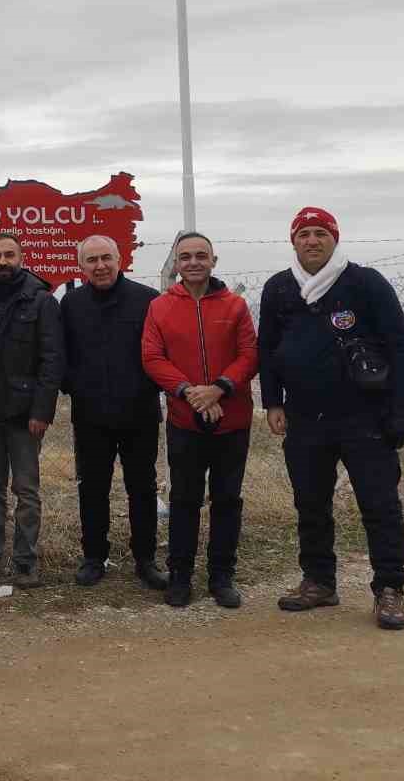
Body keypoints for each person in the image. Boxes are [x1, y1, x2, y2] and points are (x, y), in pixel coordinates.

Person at [259, 207, 404, 631]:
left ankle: (389, 588)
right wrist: (273, 402)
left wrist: (402, 410)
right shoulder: (278, 289)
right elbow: (267, 351)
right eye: (304, 234)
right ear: (293, 241)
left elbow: (402, 347)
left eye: (320, 233)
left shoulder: (365, 283)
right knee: (310, 504)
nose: (312, 240)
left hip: (365, 416)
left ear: (334, 238)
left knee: (379, 505)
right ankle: (318, 581)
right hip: (305, 417)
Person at [142, 231, 258, 610]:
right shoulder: (160, 307)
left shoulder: (235, 306)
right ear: (176, 263)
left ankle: (221, 575)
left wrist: (219, 388)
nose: (193, 262)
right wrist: (191, 392)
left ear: (213, 260)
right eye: (185, 256)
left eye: (200, 256)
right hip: (184, 418)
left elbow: (249, 354)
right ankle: (180, 574)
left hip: (232, 419)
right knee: (185, 498)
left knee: (227, 499)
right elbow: (153, 357)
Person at [60, 234, 168, 591]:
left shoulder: (147, 300)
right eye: (91, 260)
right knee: (92, 488)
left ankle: (146, 559)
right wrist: (75, 385)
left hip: (139, 413)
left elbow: (159, 354)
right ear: (81, 266)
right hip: (91, 414)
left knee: (142, 487)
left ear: (120, 259)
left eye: (106, 258)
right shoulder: (71, 304)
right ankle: (94, 557)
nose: (100, 266)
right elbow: (63, 356)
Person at [0, 232, 63, 588]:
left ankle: (25, 562)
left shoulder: (41, 300)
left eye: (8, 255)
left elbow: (52, 361)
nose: (1, 261)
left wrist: (42, 411)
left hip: (24, 414)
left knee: (26, 490)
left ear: (21, 257)